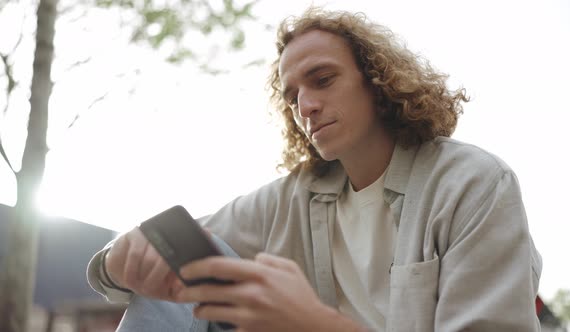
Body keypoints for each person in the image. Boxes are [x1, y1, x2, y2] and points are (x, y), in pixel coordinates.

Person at [87, 7, 543, 332]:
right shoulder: (293, 195)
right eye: (292, 97)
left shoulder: (472, 183)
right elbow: (183, 240)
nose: (306, 106)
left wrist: (316, 325)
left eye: (322, 80)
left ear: (377, 80)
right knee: (179, 252)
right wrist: (120, 259)